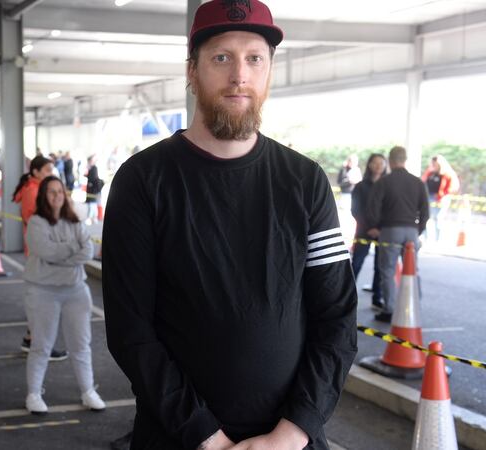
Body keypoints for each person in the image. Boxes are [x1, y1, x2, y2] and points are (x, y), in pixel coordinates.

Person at [102, 2, 358, 449]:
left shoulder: (306, 180)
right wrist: (206, 437)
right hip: (178, 439)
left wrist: (293, 431)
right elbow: (130, 330)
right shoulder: (142, 180)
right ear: (192, 71)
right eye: (221, 57)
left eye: (254, 58)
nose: (239, 74)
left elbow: (336, 318)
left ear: (269, 72)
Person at [23, 176, 105, 415]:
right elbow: (44, 251)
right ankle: (34, 394)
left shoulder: (75, 220)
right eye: (51, 192)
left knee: (81, 344)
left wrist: (62, 253)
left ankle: (88, 391)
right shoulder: (37, 222)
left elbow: (88, 251)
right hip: (42, 291)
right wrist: (72, 249)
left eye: (60, 191)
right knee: (41, 345)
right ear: (43, 196)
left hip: (76, 290)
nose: (57, 195)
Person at [12, 155, 68, 361]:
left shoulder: (35, 189)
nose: (50, 174)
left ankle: (32, 338)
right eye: (46, 170)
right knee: (43, 300)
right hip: (40, 252)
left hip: (41, 250)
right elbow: (34, 219)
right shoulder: (33, 191)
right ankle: (39, 343)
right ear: (35, 172)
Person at [366, 146, 429, 323]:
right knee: (412, 270)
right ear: (405, 159)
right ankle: (415, 306)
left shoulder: (384, 182)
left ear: (390, 160)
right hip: (411, 231)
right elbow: (425, 211)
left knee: (387, 271)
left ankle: (390, 309)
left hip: (390, 231)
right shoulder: (418, 183)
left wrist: (374, 227)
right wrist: (418, 230)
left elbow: (373, 208)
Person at [351, 154, 388, 310]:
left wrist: (379, 229)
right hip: (363, 230)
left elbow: (390, 209)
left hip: (383, 232)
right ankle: (348, 296)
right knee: (356, 263)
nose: (379, 166)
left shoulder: (388, 186)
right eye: (375, 163)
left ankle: (377, 297)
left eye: (382, 163)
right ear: (370, 165)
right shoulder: (360, 186)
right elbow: (356, 210)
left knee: (380, 266)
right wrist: (369, 228)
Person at [422, 154, 459, 242]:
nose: (434, 166)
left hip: (441, 199)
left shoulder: (447, 174)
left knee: (438, 219)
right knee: (425, 218)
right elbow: (423, 181)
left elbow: (453, 187)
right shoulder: (429, 172)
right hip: (428, 198)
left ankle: (437, 240)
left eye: (436, 164)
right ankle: (425, 238)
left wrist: (442, 195)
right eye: (433, 164)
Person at [84, 155, 103, 224]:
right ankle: (93, 218)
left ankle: (91, 218)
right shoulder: (90, 168)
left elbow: (93, 178)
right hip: (91, 189)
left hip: (94, 189)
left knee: (93, 203)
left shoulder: (94, 168)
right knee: (92, 203)